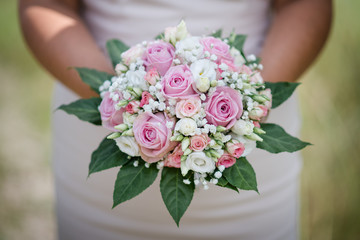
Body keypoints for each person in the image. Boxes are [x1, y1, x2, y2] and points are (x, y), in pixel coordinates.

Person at [19, 0, 332, 239]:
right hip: (106, 124)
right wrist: (125, 102)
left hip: (250, 125)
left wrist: (248, 103)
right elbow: (46, 4)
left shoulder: (246, 109)